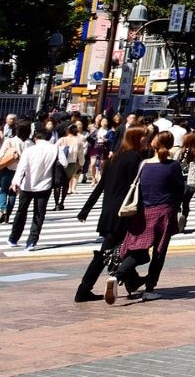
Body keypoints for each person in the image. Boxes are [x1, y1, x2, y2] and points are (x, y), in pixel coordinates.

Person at [73, 126, 149, 304]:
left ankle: (132, 280)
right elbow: (136, 187)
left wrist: (85, 209)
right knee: (109, 252)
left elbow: (100, 187)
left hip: (109, 211)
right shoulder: (134, 158)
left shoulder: (114, 157)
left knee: (118, 248)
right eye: (144, 137)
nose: (147, 140)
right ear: (137, 138)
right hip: (123, 212)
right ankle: (84, 289)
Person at [106, 130, 184, 301]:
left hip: (142, 212)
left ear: (153, 145)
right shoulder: (173, 166)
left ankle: (117, 276)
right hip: (164, 212)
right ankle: (149, 289)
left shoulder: (144, 164)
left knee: (138, 249)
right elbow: (179, 190)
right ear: (170, 145)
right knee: (159, 252)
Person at [6, 120, 57, 251]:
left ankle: (13, 238)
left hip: (27, 185)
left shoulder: (30, 150)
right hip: (45, 185)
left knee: (21, 212)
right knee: (39, 214)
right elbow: (64, 162)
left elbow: (21, 168)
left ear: (36, 137)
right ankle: (32, 242)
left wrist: (15, 182)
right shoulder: (55, 149)